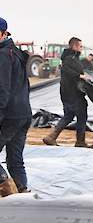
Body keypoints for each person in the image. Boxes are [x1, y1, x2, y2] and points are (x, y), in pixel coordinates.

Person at [0, 17, 32, 196]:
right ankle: (22, 193)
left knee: (15, 160)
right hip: (23, 113)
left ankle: (7, 188)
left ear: (4, 34)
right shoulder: (16, 53)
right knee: (15, 159)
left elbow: (2, 90)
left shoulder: (3, 55)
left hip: (10, 115)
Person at [43, 37, 93, 148]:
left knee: (69, 115)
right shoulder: (70, 59)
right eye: (80, 46)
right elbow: (68, 71)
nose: (81, 48)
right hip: (73, 93)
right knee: (81, 115)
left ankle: (51, 137)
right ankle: (80, 142)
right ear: (74, 46)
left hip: (68, 93)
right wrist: (80, 76)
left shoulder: (71, 58)